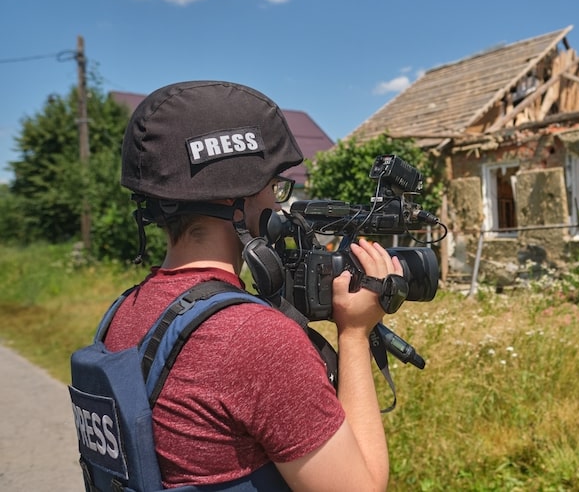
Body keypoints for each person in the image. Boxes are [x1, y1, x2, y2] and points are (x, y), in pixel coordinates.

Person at [105, 80, 396, 490]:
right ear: (234, 199)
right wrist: (354, 332)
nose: (278, 205)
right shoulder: (252, 338)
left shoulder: (125, 311)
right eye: (275, 188)